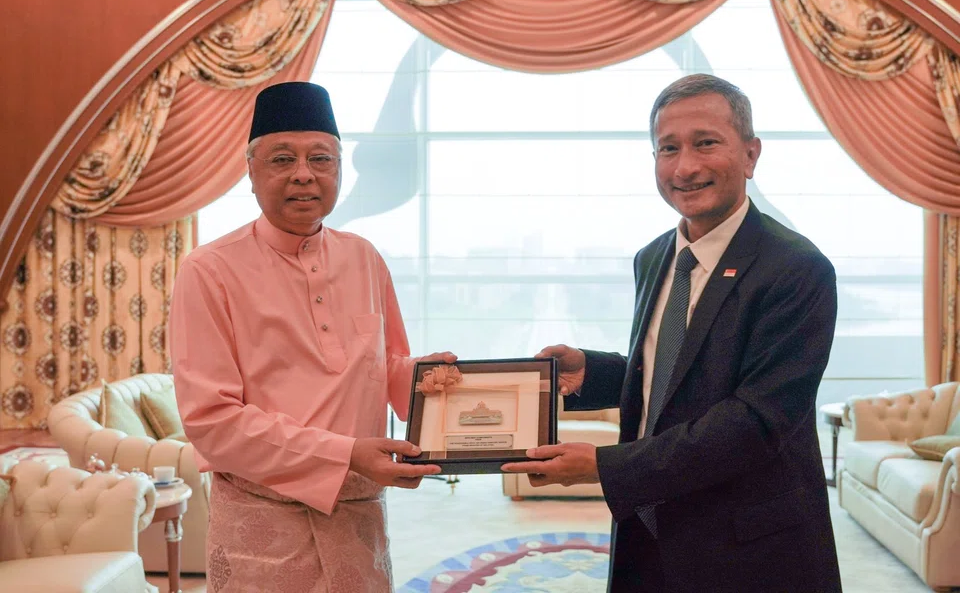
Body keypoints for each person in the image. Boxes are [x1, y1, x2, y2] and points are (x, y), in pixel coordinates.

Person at [502, 74, 842, 592]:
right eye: (668, 148)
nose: (685, 166)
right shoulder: (655, 256)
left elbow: (754, 421)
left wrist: (605, 466)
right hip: (648, 529)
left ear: (750, 155)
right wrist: (592, 372)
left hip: (746, 548)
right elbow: (676, 372)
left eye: (706, 143)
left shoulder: (796, 268)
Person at [169, 81, 455, 592]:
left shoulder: (363, 257)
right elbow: (212, 422)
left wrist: (427, 380)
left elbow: (387, 369)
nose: (304, 174)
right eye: (283, 159)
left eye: (321, 159)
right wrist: (344, 453)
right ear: (251, 171)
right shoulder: (208, 271)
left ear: (340, 170)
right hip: (264, 525)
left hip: (357, 518)